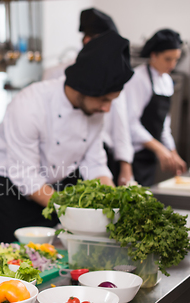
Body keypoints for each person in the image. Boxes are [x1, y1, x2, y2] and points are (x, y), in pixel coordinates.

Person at [0, 31, 134, 244]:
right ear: (84, 88)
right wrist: (78, 216)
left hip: (54, 192)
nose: (107, 108)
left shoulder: (93, 110)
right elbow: (27, 177)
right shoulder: (30, 105)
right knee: (14, 265)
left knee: (52, 261)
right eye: (104, 99)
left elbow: (95, 164)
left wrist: (113, 207)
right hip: (14, 195)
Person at [43, 8, 134, 186]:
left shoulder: (113, 73)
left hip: (99, 155)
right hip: (60, 162)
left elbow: (121, 122)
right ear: (87, 40)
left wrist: (125, 165)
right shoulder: (55, 73)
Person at [123, 29, 187, 186]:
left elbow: (163, 124)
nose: (172, 65)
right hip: (133, 156)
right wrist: (160, 149)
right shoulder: (138, 79)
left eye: (176, 60)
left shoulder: (166, 81)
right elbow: (131, 123)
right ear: (153, 55)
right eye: (167, 59)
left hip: (150, 156)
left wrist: (172, 152)